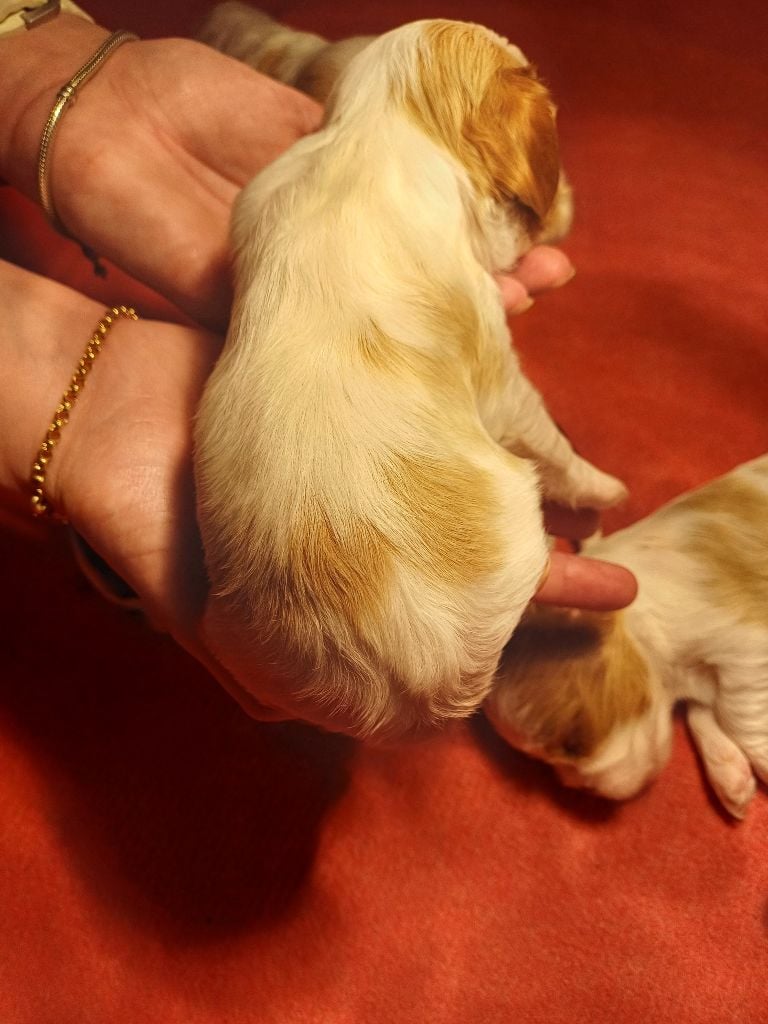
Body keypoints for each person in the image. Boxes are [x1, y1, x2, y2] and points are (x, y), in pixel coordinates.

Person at [0, 9, 637, 722]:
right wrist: (577, 475)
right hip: (464, 614)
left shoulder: (269, 195)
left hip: (260, 636)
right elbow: (508, 405)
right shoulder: (438, 253)